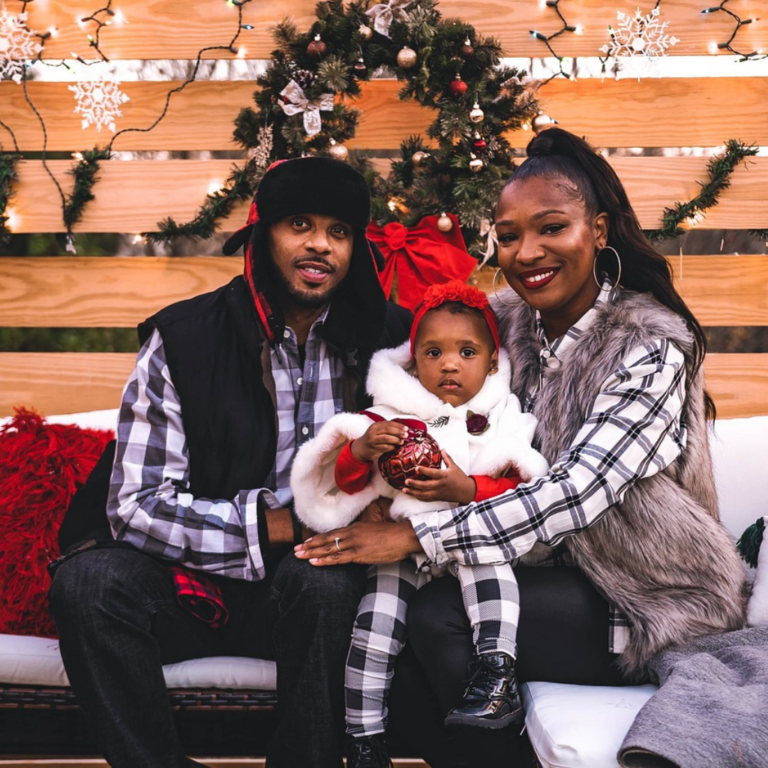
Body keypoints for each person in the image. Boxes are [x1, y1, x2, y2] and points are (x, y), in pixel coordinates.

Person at [294, 128, 746, 767]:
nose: (527, 251)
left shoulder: (650, 346)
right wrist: (377, 477)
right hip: (532, 569)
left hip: (647, 595)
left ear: (599, 230)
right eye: (507, 236)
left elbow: (577, 491)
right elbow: (408, 370)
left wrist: (419, 537)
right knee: (382, 638)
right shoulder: (501, 323)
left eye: (552, 228)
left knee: (438, 617)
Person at [47, 156, 412, 768]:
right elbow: (134, 507)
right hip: (188, 586)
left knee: (322, 583)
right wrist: (275, 525)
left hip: (314, 588)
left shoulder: (390, 341)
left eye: (340, 231)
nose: (320, 244)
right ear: (262, 232)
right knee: (88, 585)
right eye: (299, 223)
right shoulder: (184, 339)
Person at [290, 281, 549, 767]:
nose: (449, 364)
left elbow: (523, 490)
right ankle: (364, 738)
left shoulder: (505, 419)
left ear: (492, 362)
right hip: (400, 546)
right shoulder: (392, 416)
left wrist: (468, 489)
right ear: (413, 361)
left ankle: (496, 670)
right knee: (376, 622)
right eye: (434, 352)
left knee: (490, 568)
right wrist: (360, 450)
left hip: (471, 537)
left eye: (466, 352)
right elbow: (345, 483)